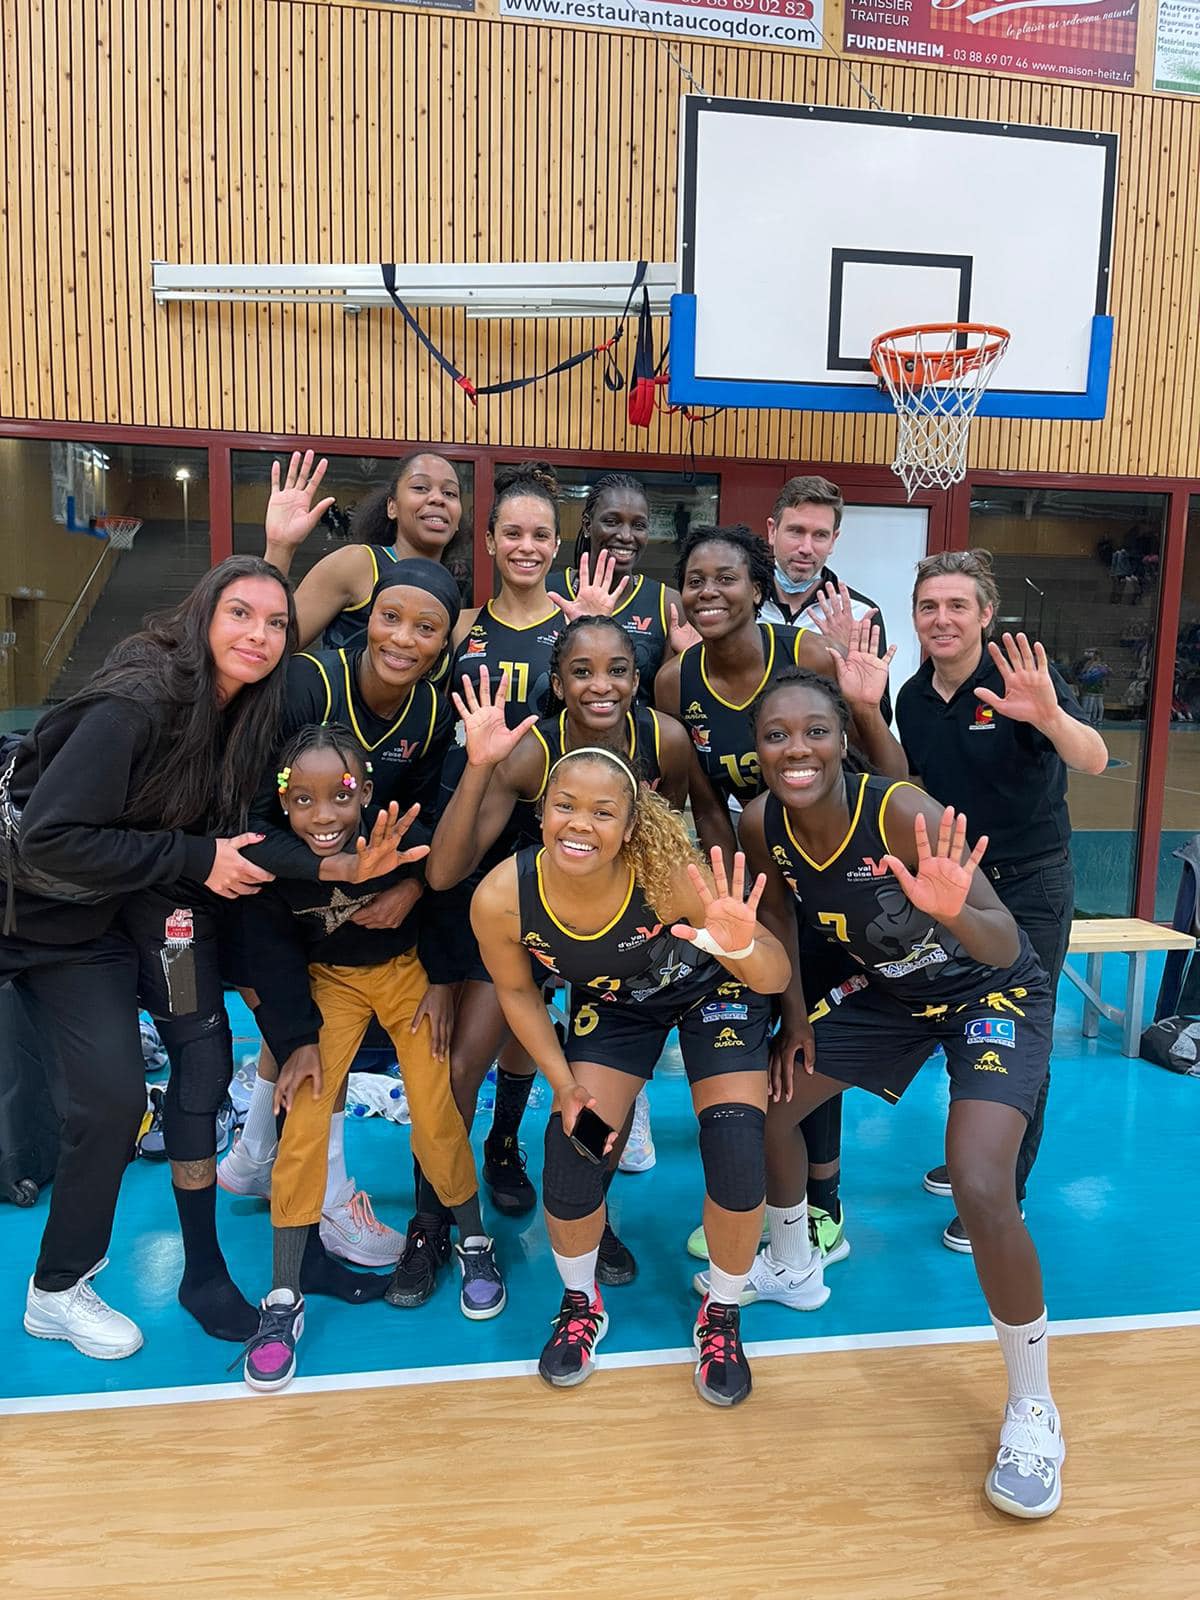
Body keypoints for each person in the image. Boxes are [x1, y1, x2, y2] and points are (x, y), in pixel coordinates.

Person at [741, 668, 1067, 1518]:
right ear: (758, 749)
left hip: (991, 993)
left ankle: (1034, 1406)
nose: (796, 750)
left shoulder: (900, 812)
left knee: (983, 1183)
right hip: (890, 995)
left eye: (815, 731)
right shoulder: (760, 822)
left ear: (843, 738)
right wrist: (795, 1014)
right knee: (774, 1105)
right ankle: (793, 1261)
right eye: (777, 735)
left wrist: (954, 909)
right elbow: (777, 917)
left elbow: (1000, 948)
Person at [6, 556, 295, 1358]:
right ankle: (72, 1284)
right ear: (203, 615)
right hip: (33, 909)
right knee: (105, 1096)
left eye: (276, 623)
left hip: (101, 918)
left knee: (122, 1094)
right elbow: (53, 840)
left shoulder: (241, 715)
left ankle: (57, 1290)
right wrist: (194, 856)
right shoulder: (137, 702)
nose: (259, 635)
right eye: (241, 614)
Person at [471, 746, 790, 1407]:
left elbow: (775, 975)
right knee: (575, 1150)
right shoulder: (502, 897)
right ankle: (582, 1303)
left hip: (712, 994)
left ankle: (723, 1313)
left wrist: (738, 946)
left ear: (628, 825)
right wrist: (561, 1083)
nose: (580, 824)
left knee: (735, 1146)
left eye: (602, 812)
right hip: (619, 1008)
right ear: (543, 811)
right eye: (565, 806)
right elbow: (520, 994)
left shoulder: (668, 876)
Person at [430, 619, 734, 1267]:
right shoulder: (534, 750)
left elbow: (667, 835)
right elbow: (446, 871)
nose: (602, 685)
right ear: (558, 682)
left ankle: (590, 1209)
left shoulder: (666, 739)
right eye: (583, 671)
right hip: (534, 906)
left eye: (618, 669)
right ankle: (448, 1207)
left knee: (601, 1090)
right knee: (465, 1064)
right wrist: (480, 771)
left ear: (637, 677)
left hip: (619, 921)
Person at [657, 525, 902, 1266]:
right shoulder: (676, 681)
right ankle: (765, 1201)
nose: (709, 593)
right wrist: (740, 885)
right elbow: (700, 800)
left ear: (758, 589)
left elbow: (881, 765)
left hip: (831, 863)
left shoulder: (806, 657)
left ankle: (823, 1206)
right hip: (753, 865)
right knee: (764, 1031)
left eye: (726, 578)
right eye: (695, 580)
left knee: (813, 1033)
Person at [219, 560, 461, 1295]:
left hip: (350, 904)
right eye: (390, 617)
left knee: (310, 1051)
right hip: (266, 887)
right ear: (366, 615)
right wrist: (339, 874)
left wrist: (412, 883)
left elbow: (429, 825)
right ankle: (311, 1200)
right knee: (292, 1033)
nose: (403, 638)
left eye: (426, 628)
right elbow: (248, 822)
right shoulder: (306, 684)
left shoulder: (432, 711)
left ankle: (256, 1156)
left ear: (446, 643)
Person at [238, 725, 504, 1393]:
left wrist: (443, 981)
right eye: (303, 800)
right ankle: (281, 1299)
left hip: (406, 974)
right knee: (302, 1121)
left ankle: (474, 1243)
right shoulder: (277, 859)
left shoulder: (392, 832)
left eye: (339, 795)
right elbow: (270, 955)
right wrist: (296, 1038)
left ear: (365, 790)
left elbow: (444, 894)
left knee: (435, 1109)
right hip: (328, 984)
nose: (323, 815)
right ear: (284, 801)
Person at [895, 550, 1108, 1251]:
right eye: (930, 606)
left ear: (986, 615)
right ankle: (975, 1156)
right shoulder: (913, 697)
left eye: (958, 606)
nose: (942, 619)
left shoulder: (1021, 680)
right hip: (961, 887)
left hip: (1033, 884)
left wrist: (1048, 716)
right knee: (963, 1022)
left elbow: (1092, 758)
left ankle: (1002, 1188)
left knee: (1023, 1035)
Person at [261, 449, 467, 648]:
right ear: (392, 507)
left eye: (450, 493)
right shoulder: (358, 564)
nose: (438, 498)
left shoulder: (448, 591)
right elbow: (274, 644)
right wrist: (280, 547)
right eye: (420, 487)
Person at [547, 473, 696, 703]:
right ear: (587, 525)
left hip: (635, 738)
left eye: (638, 525)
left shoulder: (668, 604)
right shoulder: (550, 592)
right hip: (556, 736)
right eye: (611, 521)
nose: (626, 536)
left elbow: (669, 705)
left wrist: (693, 661)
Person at [758, 476, 890, 715]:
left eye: (819, 535)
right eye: (796, 531)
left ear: (833, 540)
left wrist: (844, 655)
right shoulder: (742, 604)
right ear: (772, 530)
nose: (806, 548)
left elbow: (878, 721)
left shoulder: (861, 614)